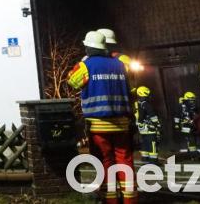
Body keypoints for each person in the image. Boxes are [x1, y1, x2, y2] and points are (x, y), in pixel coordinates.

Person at [68, 31, 136, 204]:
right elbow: (131, 86)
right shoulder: (121, 65)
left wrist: (81, 64)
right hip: (121, 123)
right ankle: (130, 200)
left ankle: (110, 199)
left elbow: (72, 81)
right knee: (125, 160)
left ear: (88, 47)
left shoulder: (86, 65)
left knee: (105, 161)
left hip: (99, 126)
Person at [135, 86, 161, 164]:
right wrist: (158, 125)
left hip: (141, 127)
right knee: (152, 143)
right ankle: (153, 160)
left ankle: (145, 157)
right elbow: (152, 115)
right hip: (149, 127)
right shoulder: (146, 104)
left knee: (145, 142)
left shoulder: (137, 104)